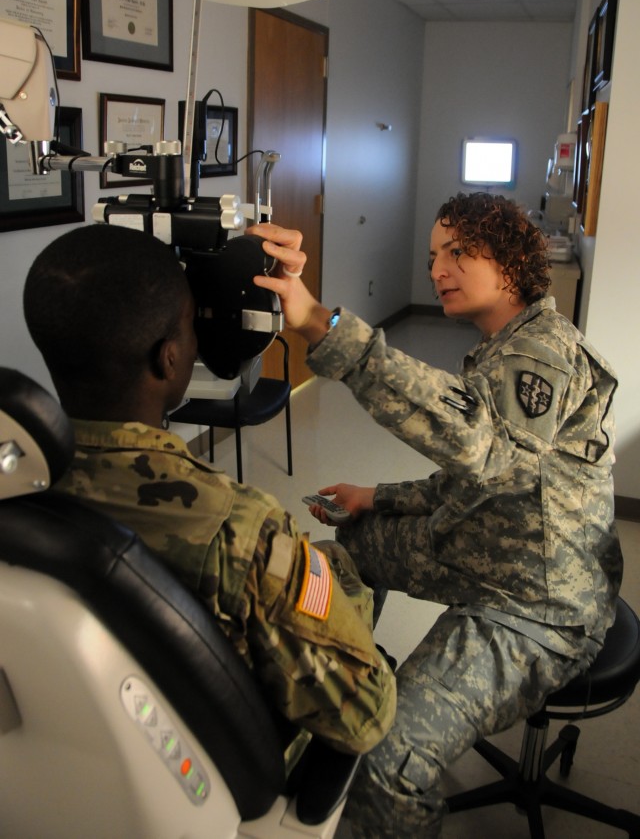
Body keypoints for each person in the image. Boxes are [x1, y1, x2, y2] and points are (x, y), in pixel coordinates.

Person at [247, 192, 622, 838]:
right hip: (490, 550)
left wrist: (318, 322)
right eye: (432, 257)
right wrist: (380, 497)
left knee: (387, 756)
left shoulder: (544, 355)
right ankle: (338, 683)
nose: (437, 269)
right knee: (346, 552)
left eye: (458, 253)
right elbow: (487, 480)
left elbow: (485, 451)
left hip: (536, 604)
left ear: (509, 264)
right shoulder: (506, 345)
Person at [22, 223, 396, 762]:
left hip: (78, 756)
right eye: (190, 327)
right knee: (348, 568)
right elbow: (366, 717)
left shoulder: (20, 484)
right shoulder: (240, 530)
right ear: (169, 358)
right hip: (219, 768)